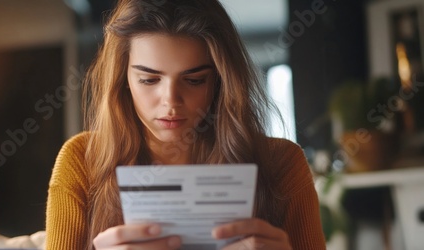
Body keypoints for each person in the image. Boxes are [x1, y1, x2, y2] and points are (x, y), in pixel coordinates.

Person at [45, 0, 325, 249]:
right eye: (149, 80)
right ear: (122, 80)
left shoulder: (282, 163)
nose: (171, 102)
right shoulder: (82, 161)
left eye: (194, 80)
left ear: (220, 80)